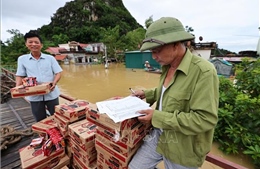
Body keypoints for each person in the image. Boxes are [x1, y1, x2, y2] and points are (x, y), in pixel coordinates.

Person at [129, 17, 219, 169]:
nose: (153, 56)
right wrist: (147, 94)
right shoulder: (167, 67)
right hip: (160, 135)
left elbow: (205, 119)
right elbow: (169, 92)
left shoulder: (204, 72)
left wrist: (156, 117)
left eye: (156, 51)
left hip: (185, 147)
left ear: (176, 44)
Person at [15, 30, 63, 122]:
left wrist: (54, 82)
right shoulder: (22, 59)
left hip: (51, 93)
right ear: (26, 44)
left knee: (57, 117)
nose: (33, 44)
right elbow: (20, 75)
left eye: (36, 42)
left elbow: (58, 73)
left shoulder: (50, 58)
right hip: (34, 95)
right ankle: (44, 135)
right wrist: (18, 88)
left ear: (41, 45)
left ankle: (57, 135)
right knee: (40, 119)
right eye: (30, 42)